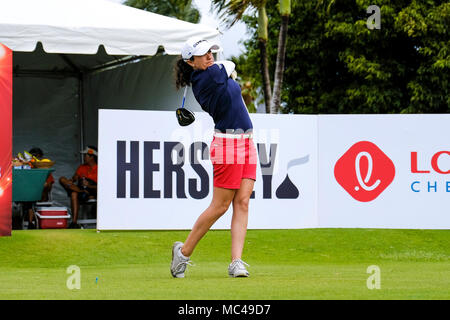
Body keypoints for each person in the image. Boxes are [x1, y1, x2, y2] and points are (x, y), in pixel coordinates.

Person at [171, 37, 257, 278]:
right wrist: (226, 70)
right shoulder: (204, 78)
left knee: (242, 203)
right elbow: (229, 65)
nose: (209, 56)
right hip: (227, 145)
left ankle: (236, 262)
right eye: (202, 54)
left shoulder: (210, 72)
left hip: (247, 142)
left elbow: (227, 67)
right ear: (190, 61)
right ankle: (183, 253)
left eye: (210, 51)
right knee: (220, 206)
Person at [59, 146, 98, 229]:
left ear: (92, 157)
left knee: (73, 193)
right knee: (62, 179)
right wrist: (71, 181)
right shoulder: (82, 167)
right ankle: (74, 223)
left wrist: (89, 186)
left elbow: (103, 187)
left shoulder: (100, 168)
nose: (84, 157)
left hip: (92, 191)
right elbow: (74, 178)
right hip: (81, 190)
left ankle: (74, 222)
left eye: (85, 156)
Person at [24, 147, 55, 229]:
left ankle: (32, 222)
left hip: (42, 196)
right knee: (29, 194)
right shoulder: (27, 170)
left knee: (43, 185)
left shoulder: (45, 171)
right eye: (33, 156)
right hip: (30, 196)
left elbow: (49, 186)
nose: (35, 158)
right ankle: (31, 223)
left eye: (37, 156)